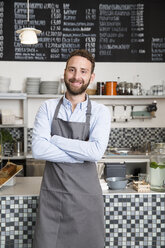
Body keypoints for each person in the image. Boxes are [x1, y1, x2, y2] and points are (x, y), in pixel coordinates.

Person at [32, 49, 111, 248]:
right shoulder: (48, 107)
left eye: (83, 71)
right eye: (72, 70)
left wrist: (56, 140)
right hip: (53, 200)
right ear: (65, 72)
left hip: (87, 202)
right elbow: (39, 150)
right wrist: (81, 154)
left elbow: (95, 153)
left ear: (91, 77)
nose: (77, 76)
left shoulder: (101, 112)